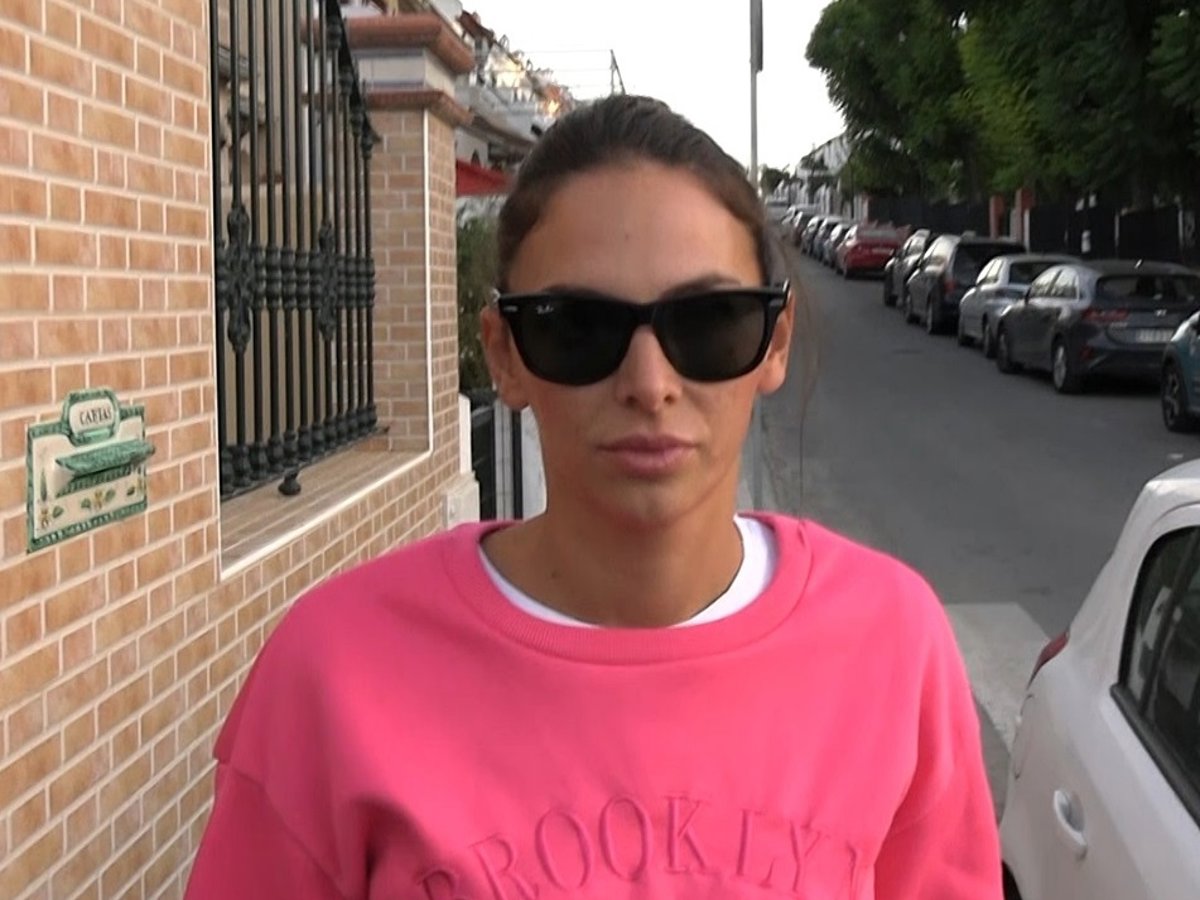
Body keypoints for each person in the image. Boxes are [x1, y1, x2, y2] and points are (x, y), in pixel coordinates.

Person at [184, 94, 1002, 899]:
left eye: (709, 323)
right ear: (505, 356)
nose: (649, 383)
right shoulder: (332, 674)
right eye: (577, 328)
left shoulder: (893, 647)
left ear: (773, 343)